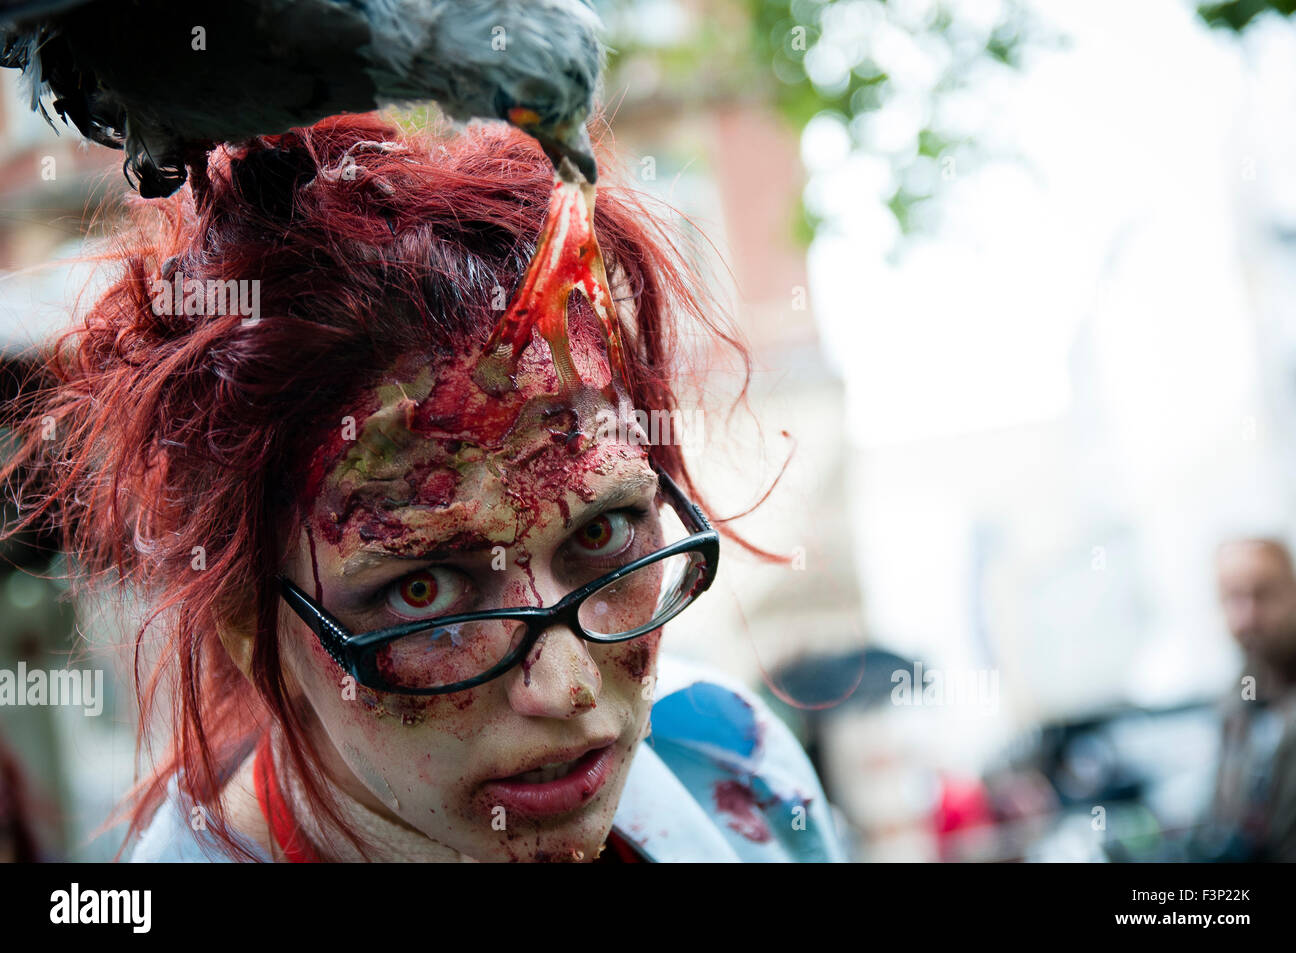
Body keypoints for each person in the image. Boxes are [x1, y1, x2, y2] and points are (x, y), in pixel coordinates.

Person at [1, 113, 843, 863]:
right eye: (424, 589)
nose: (569, 687)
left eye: (602, 534)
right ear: (248, 629)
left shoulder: (733, 768)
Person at [1203, 537, 1296, 861]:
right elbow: (1221, 819)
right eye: (1233, 598)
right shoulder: (1240, 696)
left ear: (1295, 593)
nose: (1248, 618)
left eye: (1263, 594)